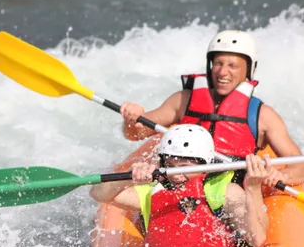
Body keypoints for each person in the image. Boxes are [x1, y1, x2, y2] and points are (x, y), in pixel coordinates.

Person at [90, 124, 273, 247]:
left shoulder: (224, 191)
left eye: (185, 167)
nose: (176, 175)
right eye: (170, 165)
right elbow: (98, 194)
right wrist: (129, 176)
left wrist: (252, 187)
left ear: (204, 164)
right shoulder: (152, 193)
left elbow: (256, 238)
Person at [120, 30, 304, 186]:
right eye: (218, 63)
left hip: (229, 191)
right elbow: (135, 134)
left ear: (247, 71)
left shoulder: (262, 115)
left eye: (232, 66)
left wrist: (282, 176)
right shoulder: (183, 100)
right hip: (178, 182)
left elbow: (299, 164)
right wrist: (132, 119)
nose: (223, 72)